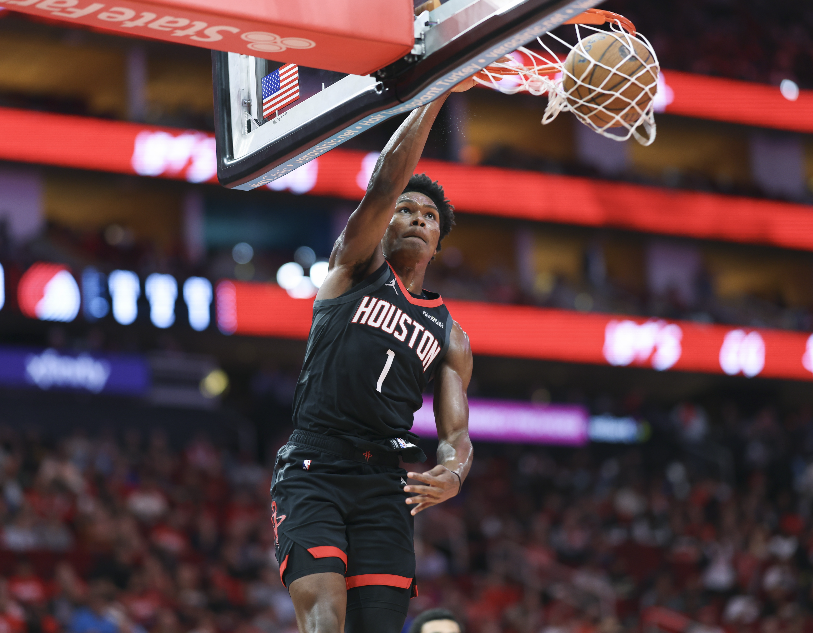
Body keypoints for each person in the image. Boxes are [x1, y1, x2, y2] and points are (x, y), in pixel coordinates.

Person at [270, 79, 476, 633]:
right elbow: (384, 183)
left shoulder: (451, 335)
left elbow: (456, 434)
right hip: (314, 465)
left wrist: (454, 473)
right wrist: (438, 89)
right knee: (324, 620)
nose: (417, 218)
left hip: (385, 481)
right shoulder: (355, 268)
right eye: (405, 210)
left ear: (438, 241)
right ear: (383, 224)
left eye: (429, 216)